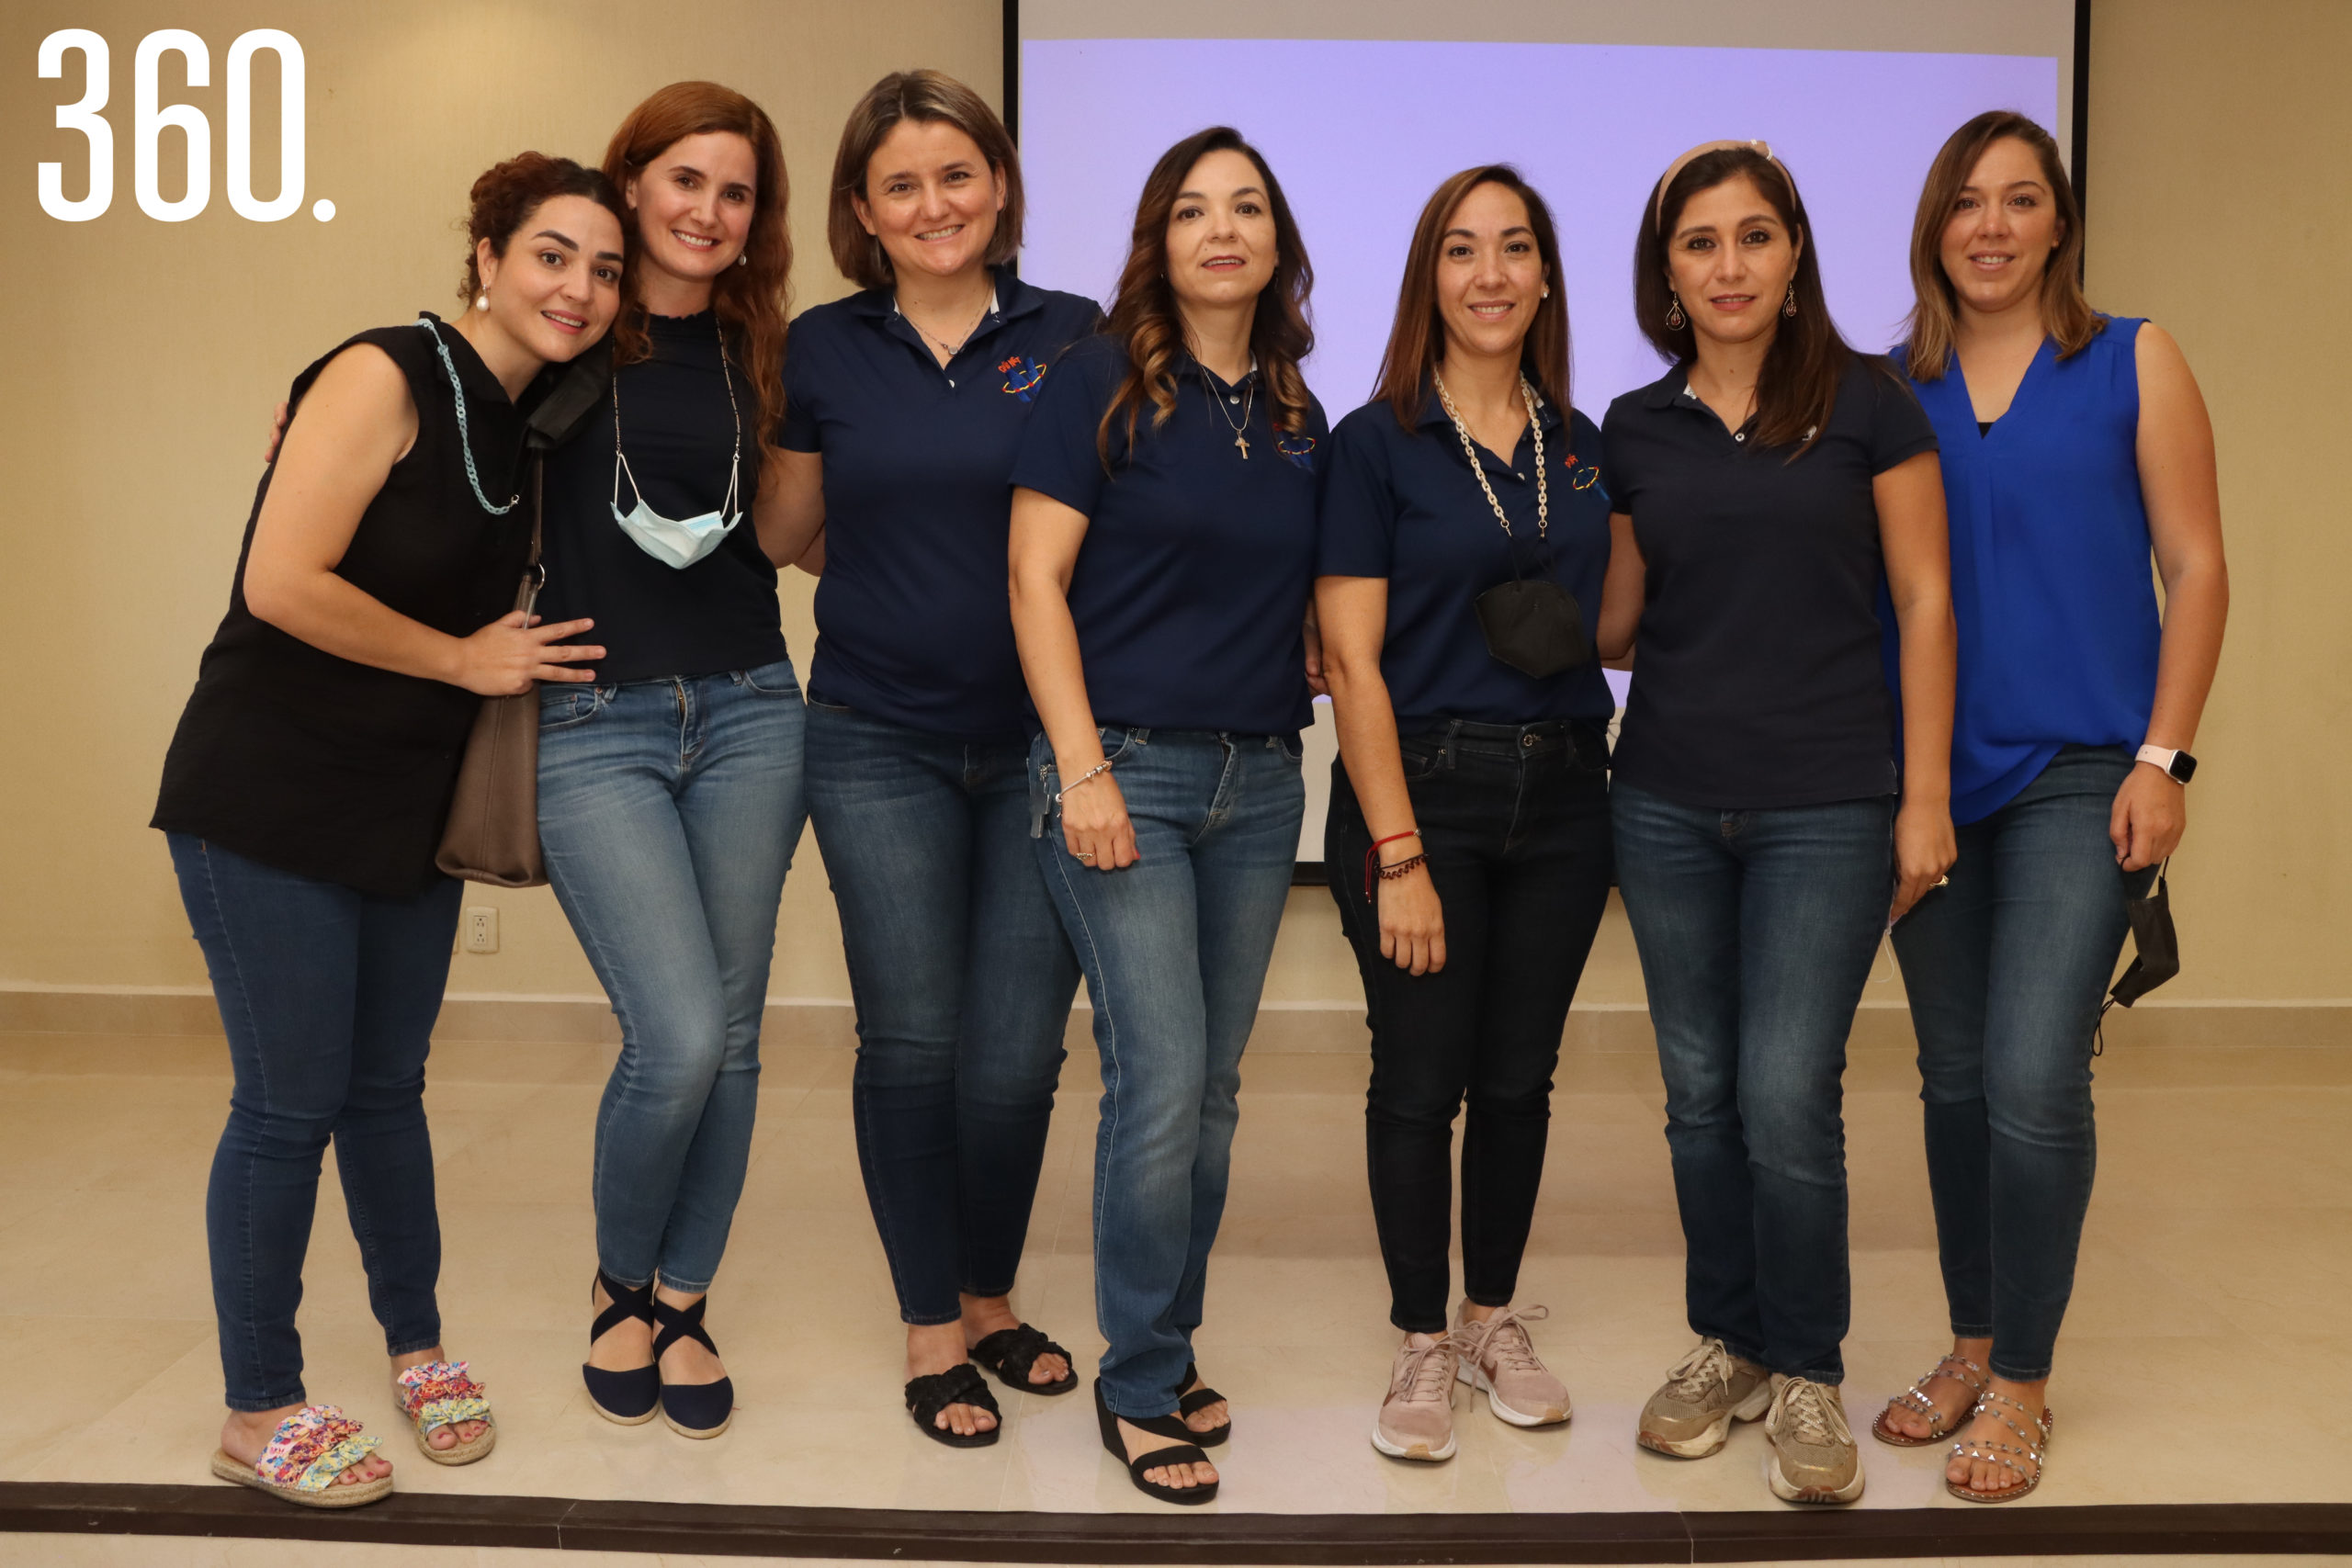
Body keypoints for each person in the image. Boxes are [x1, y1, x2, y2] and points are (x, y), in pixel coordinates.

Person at [155, 154, 625, 1506]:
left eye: (601, 267)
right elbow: (281, 580)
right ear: (484, 255)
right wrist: (461, 661)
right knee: (288, 1103)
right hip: (270, 790)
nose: (578, 287)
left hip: (404, 807)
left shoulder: (535, 417)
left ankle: (415, 1346)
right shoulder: (381, 371)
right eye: (550, 254)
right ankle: (258, 1408)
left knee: (385, 1094)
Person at [1871, 111, 2227, 1504]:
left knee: (2030, 1075)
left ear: (2060, 222)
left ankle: (2022, 1380)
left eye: (2022, 200)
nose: (1993, 226)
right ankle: (1971, 1339)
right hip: (1929, 783)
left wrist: (2166, 759)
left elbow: (2196, 568)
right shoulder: (1888, 384)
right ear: (1934, 224)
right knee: (1953, 1079)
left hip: (2085, 767)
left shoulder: (2134, 357)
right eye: (1967, 202)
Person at [1597, 141, 1957, 1506]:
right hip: (1668, 799)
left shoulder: (1870, 407)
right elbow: (1622, 624)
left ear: (1796, 252)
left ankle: (1808, 1364)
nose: (1729, 265)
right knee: (1699, 1099)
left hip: (1829, 800)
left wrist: (1922, 798)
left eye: (1755, 237)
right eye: (1700, 242)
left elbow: (1925, 604)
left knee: (1783, 1097)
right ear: (1668, 271)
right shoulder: (1635, 426)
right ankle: (1731, 1343)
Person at [768, 69, 1100, 1447]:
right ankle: (928, 1322)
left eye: (955, 174)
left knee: (1016, 1054)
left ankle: (988, 1291)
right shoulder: (823, 346)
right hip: (875, 738)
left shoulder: (1078, 336)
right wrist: (906, 579)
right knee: (912, 1038)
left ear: (1002, 185)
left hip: (1041, 746)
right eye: (899, 183)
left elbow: (1125, 525)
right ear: (862, 209)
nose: (933, 203)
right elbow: (790, 526)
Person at [1007, 126, 1324, 1506]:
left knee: (1211, 1093)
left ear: (1276, 242)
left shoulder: (1300, 412)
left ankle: (1166, 1338)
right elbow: (1033, 583)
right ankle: (1140, 1385)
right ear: (1158, 237)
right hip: (1120, 767)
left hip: (1260, 780)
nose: (1221, 230)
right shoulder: (1096, 379)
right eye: (1192, 209)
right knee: (1161, 1080)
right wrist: (1079, 770)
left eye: (1246, 208)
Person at [1316, 166, 1613, 1462]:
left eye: (1515, 248)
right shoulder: (1374, 442)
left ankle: (1492, 1316)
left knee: (1519, 1080)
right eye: (1460, 249)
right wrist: (1397, 856)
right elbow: (1354, 660)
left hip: (1563, 793)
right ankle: (1419, 1337)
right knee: (1419, 1077)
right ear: (1428, 277)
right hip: (1418, 793)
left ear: (1546, 275)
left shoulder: (1585, 444)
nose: (1489, 273)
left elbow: (1619, 623)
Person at [541, 82, 814, 1441]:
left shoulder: (766, 350)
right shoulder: (570, 325)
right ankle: (616, 1279)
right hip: (596, 722)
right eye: (686, 180)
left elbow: (789, 530)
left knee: (740, 1036)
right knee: (680, 1032)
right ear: (632, 180)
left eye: (739, 191)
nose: (710, 211)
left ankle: (683, 1295)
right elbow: (442, 448)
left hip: (757, 708)